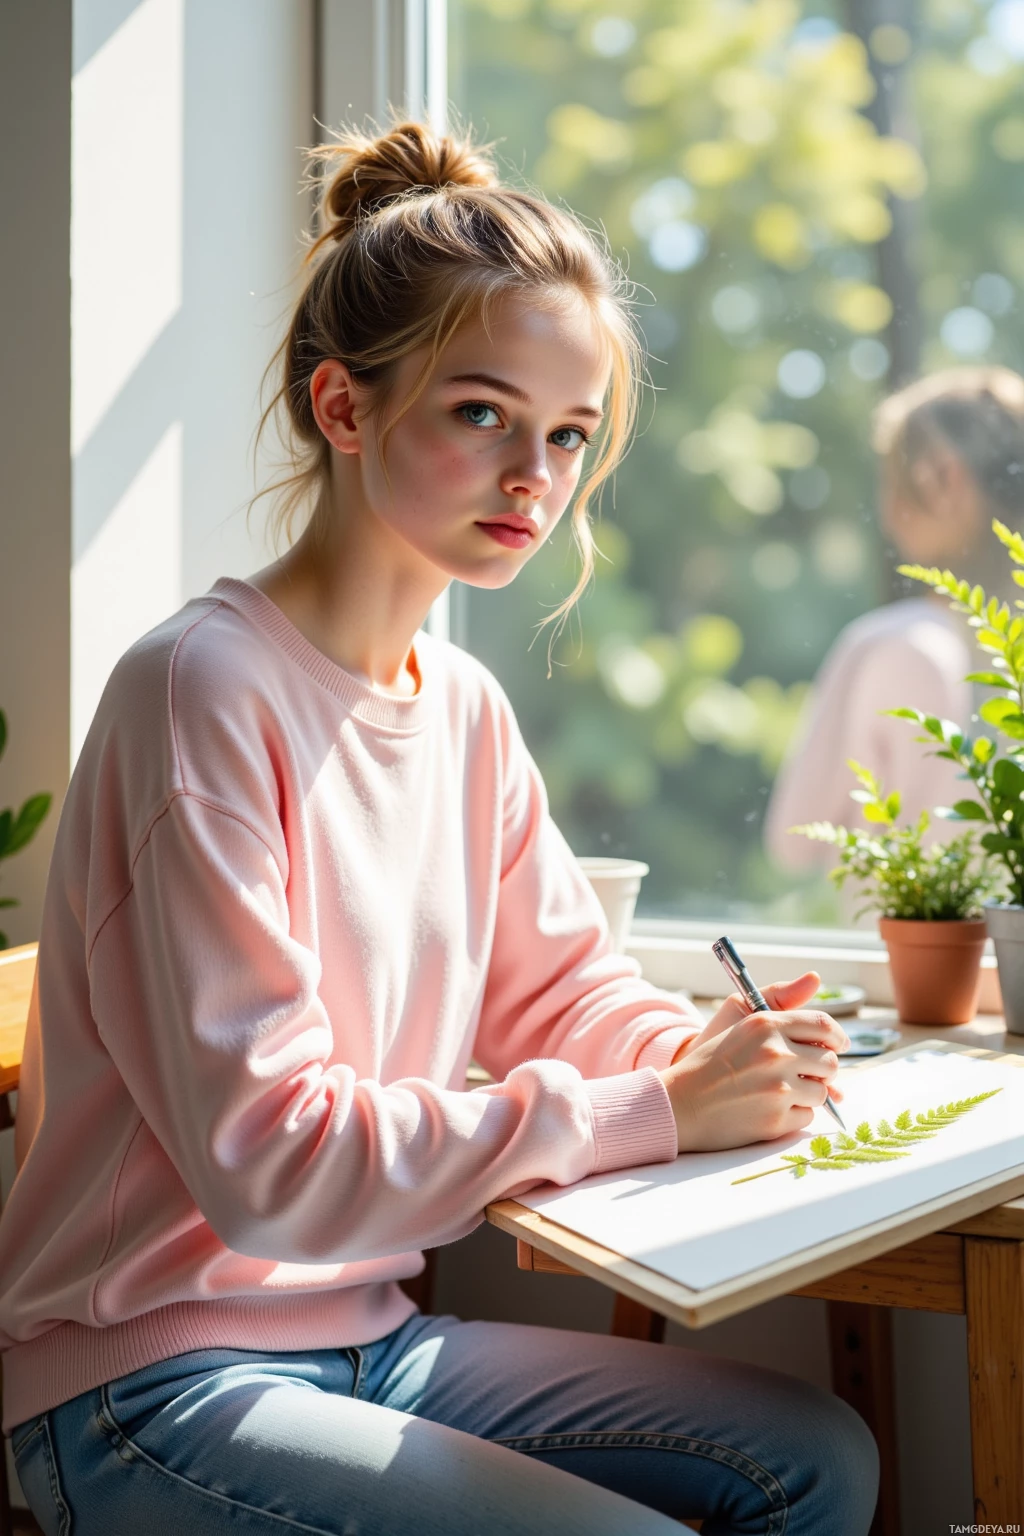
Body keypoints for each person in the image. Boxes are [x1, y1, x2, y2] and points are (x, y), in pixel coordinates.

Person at [0, 120, 876, 1536]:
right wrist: (653, 1111)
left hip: (372, 1342)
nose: (536, 473)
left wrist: (711, 1059)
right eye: (483, 414)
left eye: (571, 434)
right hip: (152, 1386)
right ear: (344, 410)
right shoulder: (201, 691)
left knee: (814, 1457)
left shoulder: (458, 708)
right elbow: (272, 1163)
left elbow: (565, 994)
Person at [766, 365, 1024, 878]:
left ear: (941, 479)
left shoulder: (897, 648)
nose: (885, 512)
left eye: (891, 478)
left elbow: (792, 845)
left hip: (902, 956)